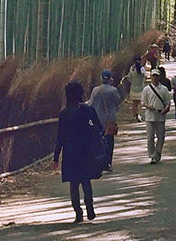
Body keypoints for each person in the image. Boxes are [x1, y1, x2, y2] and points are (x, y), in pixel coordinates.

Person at [53, 80, 103, 223]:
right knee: (86, 180)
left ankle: (78, 212)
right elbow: (98, 127)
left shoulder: (64, 113)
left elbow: (60, 136)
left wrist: (56, 156)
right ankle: (90, 206)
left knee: (74, 183)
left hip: (70, 151)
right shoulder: (88, 110)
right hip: (86, 149)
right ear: (81, 93)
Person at [88, 69, 129, 170]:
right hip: (110, 120)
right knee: (109, 142)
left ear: (101, 78)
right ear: (110, 79)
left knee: (97, 141)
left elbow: (91, 104)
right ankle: (107, 163)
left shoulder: (95, 90)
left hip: (97, 120)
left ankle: (98, 162)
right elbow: (118, 102)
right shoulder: (113, 90)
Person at [142, 68, 172, 164]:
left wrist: (166, 109)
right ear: (151, 77)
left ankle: (157, 153)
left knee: (161, 137)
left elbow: (168, 102)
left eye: (156, 76)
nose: (155, 78)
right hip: (150, 116)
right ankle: (152, 155)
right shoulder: (146, 89)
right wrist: (148, 106)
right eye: (153, 76)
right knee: (150, 137)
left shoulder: (164, 89)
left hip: (160, 116)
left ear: (159, 77)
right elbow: (143, 102)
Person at [128, 55, 145, 120]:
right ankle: (139, 115)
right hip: (140, 88)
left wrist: (132, 82)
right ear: (140, 61)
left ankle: (134, 115)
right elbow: (144, 77)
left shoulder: (132, 69)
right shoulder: (142, 69)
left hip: (133, 88)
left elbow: (129, 77)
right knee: (139, 103)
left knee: (134, 103)